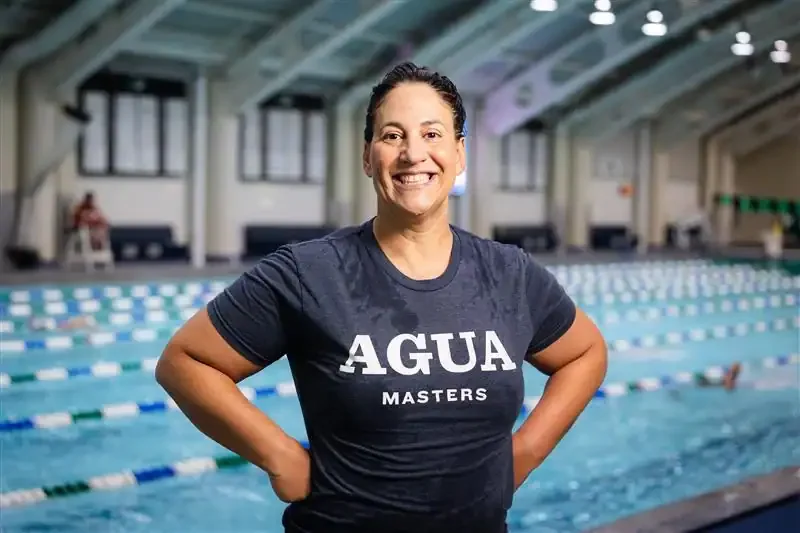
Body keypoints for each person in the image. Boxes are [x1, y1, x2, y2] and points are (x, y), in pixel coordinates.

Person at [155, 62, 608, 533]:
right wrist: (278, 454)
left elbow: (585, 352)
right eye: (393, 135)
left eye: (432, 135)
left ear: (460, 154)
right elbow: (185, 361)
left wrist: (526, 453)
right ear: (368, 157)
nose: (414, 154)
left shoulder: (508, 273)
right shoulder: (308, 272)